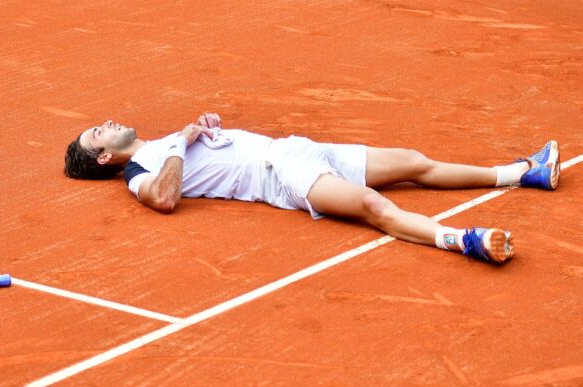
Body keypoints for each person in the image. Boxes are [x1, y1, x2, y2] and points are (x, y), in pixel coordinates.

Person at [63, 112, 560, 264]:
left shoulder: (161, 141)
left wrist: (198, 130)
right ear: (104, 157)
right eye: (97, 134)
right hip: (281, 175)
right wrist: (187, 140)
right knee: (370, 205)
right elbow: (165, 198)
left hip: (298, 148)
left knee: (413, 162)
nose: (105, 124)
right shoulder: (137, 172)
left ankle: (522, 173)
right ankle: (460, 239)